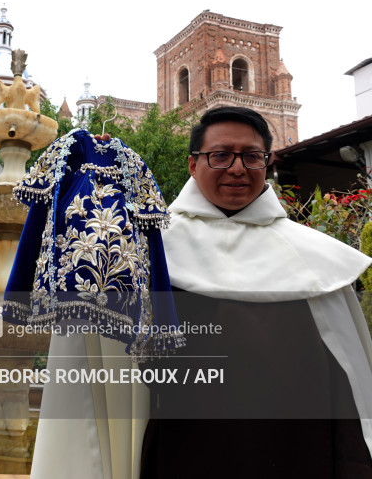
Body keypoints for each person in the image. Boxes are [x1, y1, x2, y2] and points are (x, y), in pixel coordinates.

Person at [24, 107, 372, 479]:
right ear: (193, 164)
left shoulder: (315, 260)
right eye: (220, 155)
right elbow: (105, 359)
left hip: (296, 451)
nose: (237, 168)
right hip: (185, 449)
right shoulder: (147, 252)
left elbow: (348, 377)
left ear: (267, 164)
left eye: (252, 156)